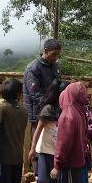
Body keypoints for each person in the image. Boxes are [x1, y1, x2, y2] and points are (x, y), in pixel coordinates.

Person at [28, 80, 70, 183]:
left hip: (59, 153)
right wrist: (32, 148)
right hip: (45, 151)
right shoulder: (48, 109)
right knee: (45, 182)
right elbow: (38, 130)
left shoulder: (67, 109)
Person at [23, 39, 62, 172]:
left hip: (53, 114)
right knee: (38, 146)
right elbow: (35, 96)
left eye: (58, 55)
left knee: (52, 147)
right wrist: (48, 108)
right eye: (54, 54)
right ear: (45, 51)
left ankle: (52, 175)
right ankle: (38, 177)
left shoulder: (54, 66)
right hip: (38, 114)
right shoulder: (33, 69)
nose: (56, 57)